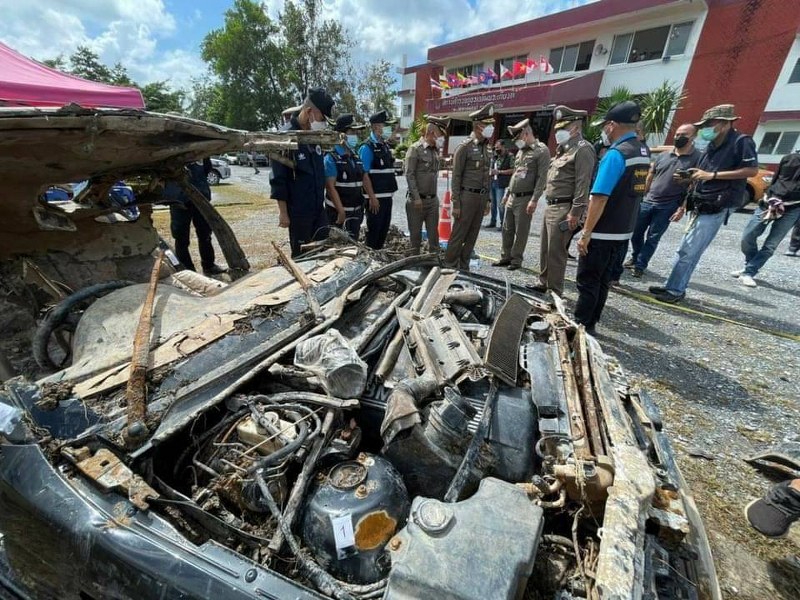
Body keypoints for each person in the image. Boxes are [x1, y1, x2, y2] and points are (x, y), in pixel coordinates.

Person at [649, 104, 757, 303]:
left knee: (691, 250)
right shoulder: (712, 145)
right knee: (684, 248)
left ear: (725, 123)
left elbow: (751, 170)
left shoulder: (741, 142)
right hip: (701, 201)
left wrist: (713, 175)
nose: (705, 128)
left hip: (717, 204)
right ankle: (672, 285)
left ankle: (675, 291)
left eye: (710, 124)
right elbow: (702, 172)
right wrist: (691, 177)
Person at [574, 101, 650, 334]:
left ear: (612, 125)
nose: (604, 130)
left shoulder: (617, 154)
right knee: (603, 280)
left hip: (602, 232)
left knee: (588, 280)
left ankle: (581, 327)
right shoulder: (642, 151)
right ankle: (592, 323)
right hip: (623, 231)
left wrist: (586, 233)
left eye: (605, 126)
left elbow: (599, 197)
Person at [528, 105, 596, 295]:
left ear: (575, 127)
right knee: (546, 249)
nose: (558, 132)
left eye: (563, 128)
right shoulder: (564, 149)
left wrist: (576, 213)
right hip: (552, 205)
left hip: (564, 208)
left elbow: (583, 184)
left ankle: (555, 291)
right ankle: (544, 281)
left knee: (556, 252)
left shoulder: (583, 149)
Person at [620, 123, 700, 278]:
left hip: (669, 205)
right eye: (677, 134)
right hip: (648, 201)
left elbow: (694, 186)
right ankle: (636, 256)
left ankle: (640, 265)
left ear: (693, 137)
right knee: (636, 233)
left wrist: (682, 208)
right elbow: (651, 175)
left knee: (653, 237)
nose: (679, 137)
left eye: (683, 135)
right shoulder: (664, 155)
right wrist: (642, 195)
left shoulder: (697, 158)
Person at [270, 87, 335, 257]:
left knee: (322, 252)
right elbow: (278, 179)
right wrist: (283, 213)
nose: (323, 123)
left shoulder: (314, 137)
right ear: (308, 112)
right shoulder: (285, 136)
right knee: (302, 256)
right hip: (298, 212)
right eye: (322, 118)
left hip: (318, 209)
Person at [732, 149, 800, 286]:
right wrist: (769, 196)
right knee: (748, 236)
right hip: (770, 201)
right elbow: (776, 179)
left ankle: (749, 272)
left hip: (793, 208)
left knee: (770, 245)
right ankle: (750, 264)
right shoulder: (789, 158)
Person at [493, 119, 550, 270]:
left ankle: (516, 260)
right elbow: (516, 175)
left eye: (517, 138)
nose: (516, 142)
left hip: (526, 198)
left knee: (521, 231)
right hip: (513, 196)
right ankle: (505, 256)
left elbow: (542, 178)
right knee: (507, 229)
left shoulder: (541, 150)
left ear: (526, 134)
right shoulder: (521, 151)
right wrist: (507, 194)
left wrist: (534, 199)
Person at [443, 103, 495, 271]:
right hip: (467, 197)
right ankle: (450, 264)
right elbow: (456, 177)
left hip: (481, 197)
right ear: (479, 126)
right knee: (459, 233)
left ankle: (464, 265)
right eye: (488, 124)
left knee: (473, 234)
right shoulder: (464, 147)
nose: (491, 128)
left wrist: (488, 200)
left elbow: (487, 175)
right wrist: (456, 203)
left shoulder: (487, 147)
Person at [166, 158, 227, 275]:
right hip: (179, 199)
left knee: (205, 234)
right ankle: (187, 270)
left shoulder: (200, 152)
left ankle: (209, 265)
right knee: (181, 237)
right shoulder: (172, 152)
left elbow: (207, 167)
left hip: (200, 197)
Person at [323, 114, 378, 241]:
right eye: (352, 132)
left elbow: (364, 177)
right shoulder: (331, 158)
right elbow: (330, 187)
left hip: (356, 213)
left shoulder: (355, 156)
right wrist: (341, 211)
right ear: (341, 134)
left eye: (356, 132)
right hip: (338, 214)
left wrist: (372, 197)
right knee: (338, 247)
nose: (355, 135)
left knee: (353, 244)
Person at [405, 115, 450, 254]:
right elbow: (409, 174)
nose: (442, 138)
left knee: (434, 236)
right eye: (440, 135)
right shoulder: (415, 149)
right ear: (431, 133)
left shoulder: (434, 150)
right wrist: (416, 197)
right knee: (415, 237)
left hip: (432, 201)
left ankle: (433, 261)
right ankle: (414, 263)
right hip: (417, 201)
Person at [359, 110, 399, 249]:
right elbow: (364, 175)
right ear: (376, 127)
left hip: (387, 198)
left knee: (383, 231)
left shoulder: (384, 146)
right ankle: (370, 258)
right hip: (375, 200)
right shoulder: (367, 147)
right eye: (386, 126)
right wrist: (372, 197)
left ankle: (377, 256)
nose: (389, 129)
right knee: (374, 233)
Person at [487, 140, 513, 229]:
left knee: (500, 204)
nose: (496, 149)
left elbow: (513, 170)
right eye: (495, 147)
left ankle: (503, 224)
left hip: (501, 183)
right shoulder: (495, 156)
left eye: (498, 147)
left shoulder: (510, 156)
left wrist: (499, 172)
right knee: (493, 204)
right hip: (492, 182)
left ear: (503, 147)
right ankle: (493, 222)